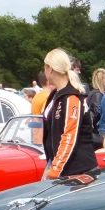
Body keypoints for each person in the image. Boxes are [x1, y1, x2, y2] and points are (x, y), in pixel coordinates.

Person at [40, 48, 96, 180]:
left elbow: (69, 135)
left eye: (45, 67)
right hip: (59, 164)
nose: (44, 71)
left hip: (76, 169)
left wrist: (55, 170)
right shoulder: (55, 95)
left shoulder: (71, 97)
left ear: (50, 69)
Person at [87, 68, 105, 137]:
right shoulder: (97, 95)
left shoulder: (94, 93)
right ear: (101, 80)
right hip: (96, 132)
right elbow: (99, 114)